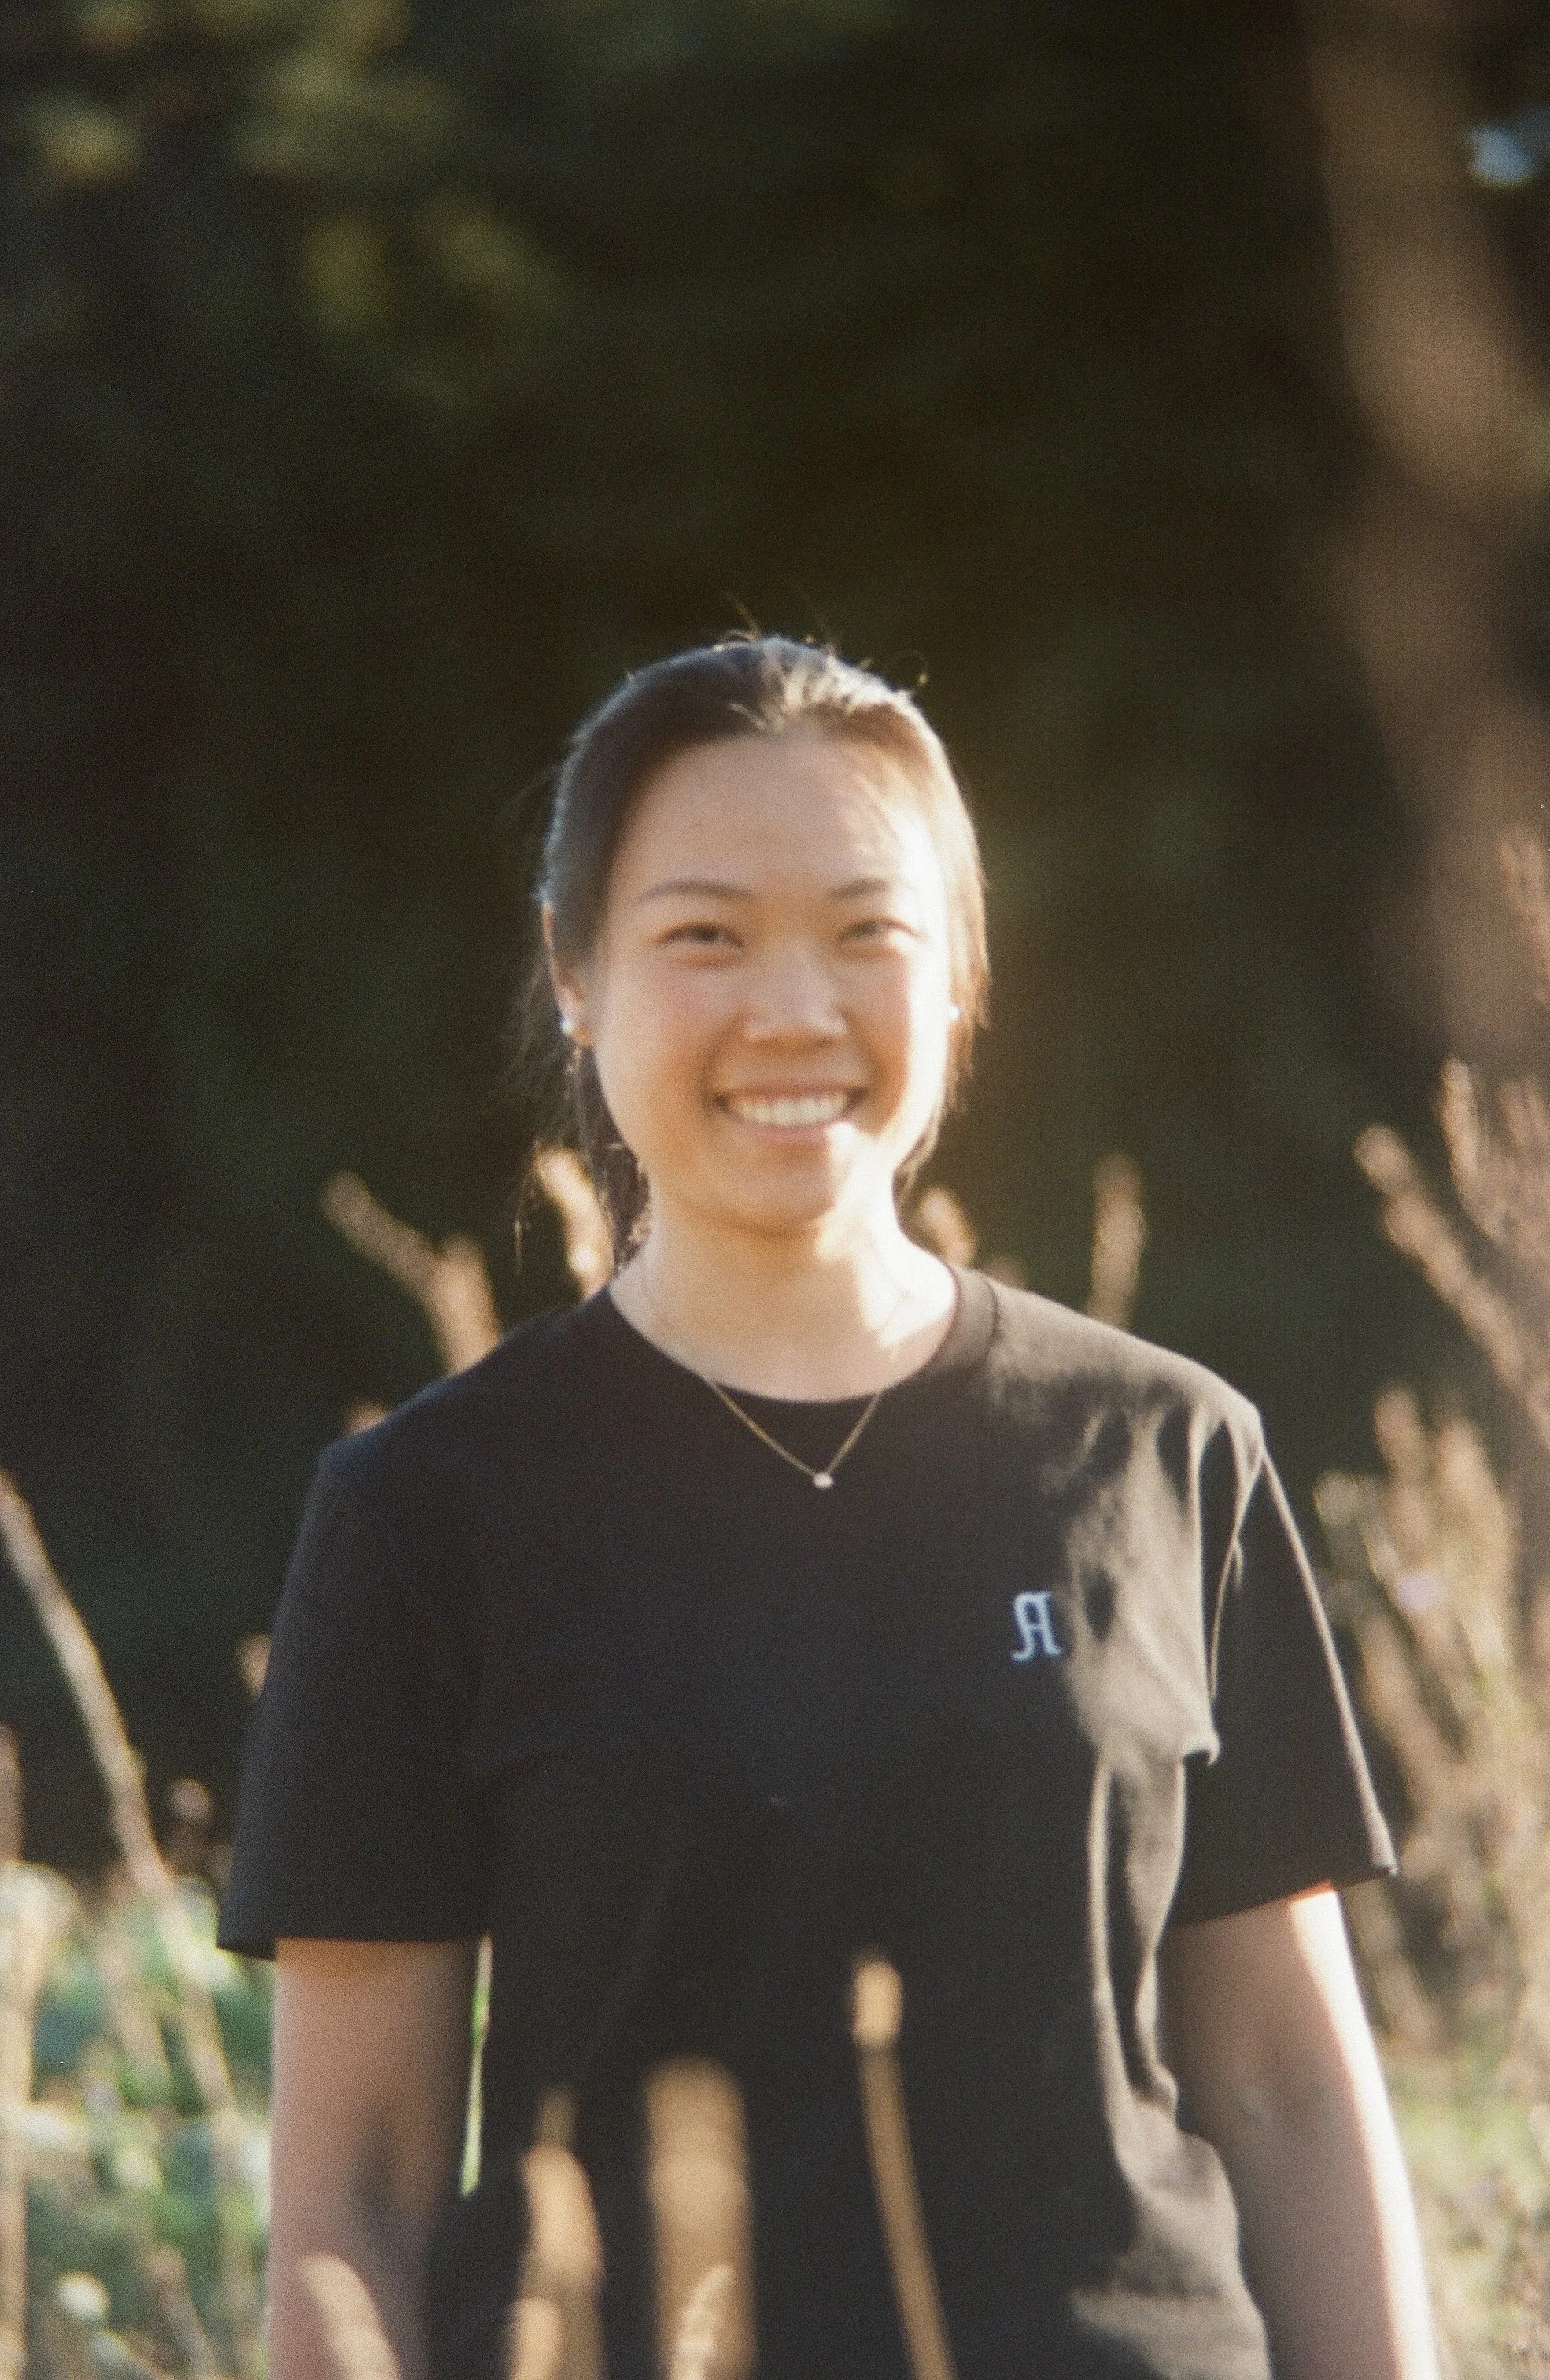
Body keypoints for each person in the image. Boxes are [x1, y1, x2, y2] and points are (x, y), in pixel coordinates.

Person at [218, 636, 1439, 2380]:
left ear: (961, 979)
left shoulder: (1167, 1453)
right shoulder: (428, 1515)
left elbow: (1290, 2090)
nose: (795, 1012)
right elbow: (361, 2186)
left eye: (870, 932)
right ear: (574, 974)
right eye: (706, 937)